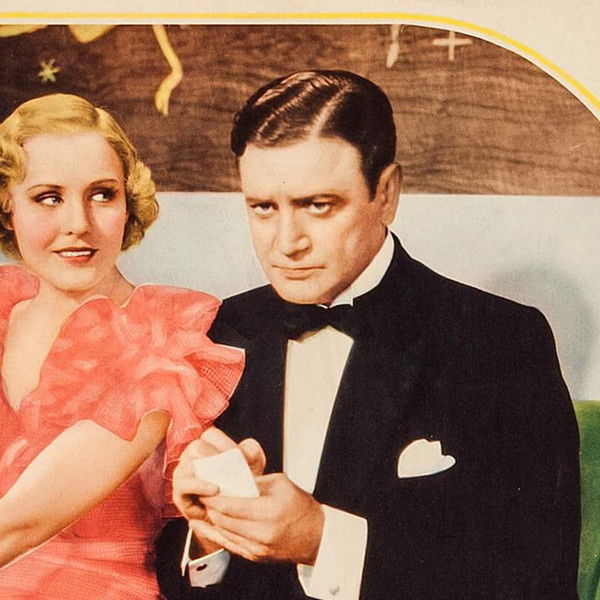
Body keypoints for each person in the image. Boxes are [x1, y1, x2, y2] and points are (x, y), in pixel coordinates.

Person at [156, 70, 580, 599]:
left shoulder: (501, 341)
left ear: (387, 193)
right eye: (263, 207)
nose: (286, 242)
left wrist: (323, 540)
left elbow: (539, 579)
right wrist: (209, 536)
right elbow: (179, 572)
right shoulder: (217, 332)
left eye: (318, 205)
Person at [0, 93, 244, 599]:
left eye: (102, 194)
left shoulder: (163, 338)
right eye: (48, 197)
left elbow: (20, 524)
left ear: (128, 203)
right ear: (8, 208)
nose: (78, 223)